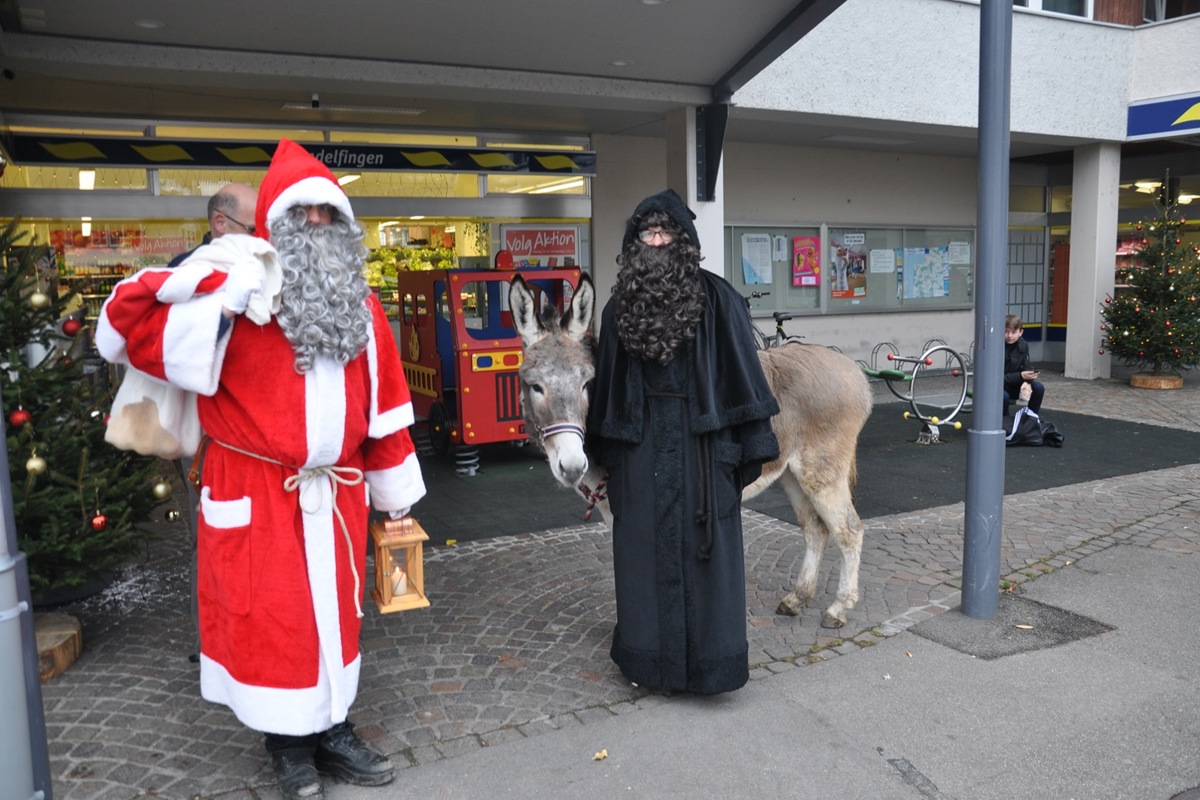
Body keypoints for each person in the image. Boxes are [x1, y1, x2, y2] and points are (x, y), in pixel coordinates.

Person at [96, 139, 426, 800]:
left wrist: (397, 500)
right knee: (272, 622)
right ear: (274, 222)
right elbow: (125, 330)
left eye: (326, 216)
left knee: (334, 617)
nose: (315, 228)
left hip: (336, 492)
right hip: (254, 490)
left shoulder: (362, 310)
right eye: (300, 215)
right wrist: (215, 291)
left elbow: (386, 407)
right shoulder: (236, 291)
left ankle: (333, 729)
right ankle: (287, 747)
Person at [587, 189, 780, 696]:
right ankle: (648, 661)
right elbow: (607, 390)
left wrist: (738, 448)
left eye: (665, 232)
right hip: (641, 450)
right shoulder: (616, 310)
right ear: (634, 243)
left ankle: (709, 666)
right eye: (647, 233)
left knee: (706, 556)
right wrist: (606, 458)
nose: (656, 240)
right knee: (640, 555)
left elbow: (741, 378)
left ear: (683, 241)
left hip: (702, 449)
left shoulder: (719, 300)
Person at [167, 182, 259, 266]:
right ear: (220, 223)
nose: (261, 237)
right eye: (252, 230)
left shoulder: (263, 263)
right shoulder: (182, 269)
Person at [1003, 313, 1045, 416]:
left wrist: (1028, 379)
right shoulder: (998, 346)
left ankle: (1031, 418)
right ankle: (1004, 423)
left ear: (1020, 332)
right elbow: (996, 378)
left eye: (1013, 332)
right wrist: (1021, 376)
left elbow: (1025, 364)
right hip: (1000, 386)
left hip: (1016, 384)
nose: (1009, 336)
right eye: (1006, 332)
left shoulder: (1023, 345)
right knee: (1004, 397)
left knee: (1038, 388)